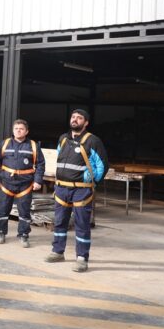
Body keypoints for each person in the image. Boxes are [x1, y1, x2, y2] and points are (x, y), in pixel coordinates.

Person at [45, 109, 108, 272]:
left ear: (86, 123)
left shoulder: (93, 141)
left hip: (81, 190)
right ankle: (58, 252)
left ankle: (82, 258)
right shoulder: (63, 139)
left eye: (79, 118)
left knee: (81, 224)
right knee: (59, 222)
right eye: (73, 117)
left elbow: (102, 165)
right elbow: (58, 159)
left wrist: (92, 181)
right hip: (61, 188)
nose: (75, 120)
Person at [0, 119, 46, 248]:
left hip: (25, 184)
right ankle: (0, 233)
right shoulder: (5, 144)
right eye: (16, 128)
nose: (18, 131)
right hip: (6, 183)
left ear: (26, 131)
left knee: (24, 211)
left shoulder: (33, 145)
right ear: (13, 130)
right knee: (3, 209)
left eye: (21, 129)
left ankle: (23, 235)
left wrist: (38, 180)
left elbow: (40, 164)